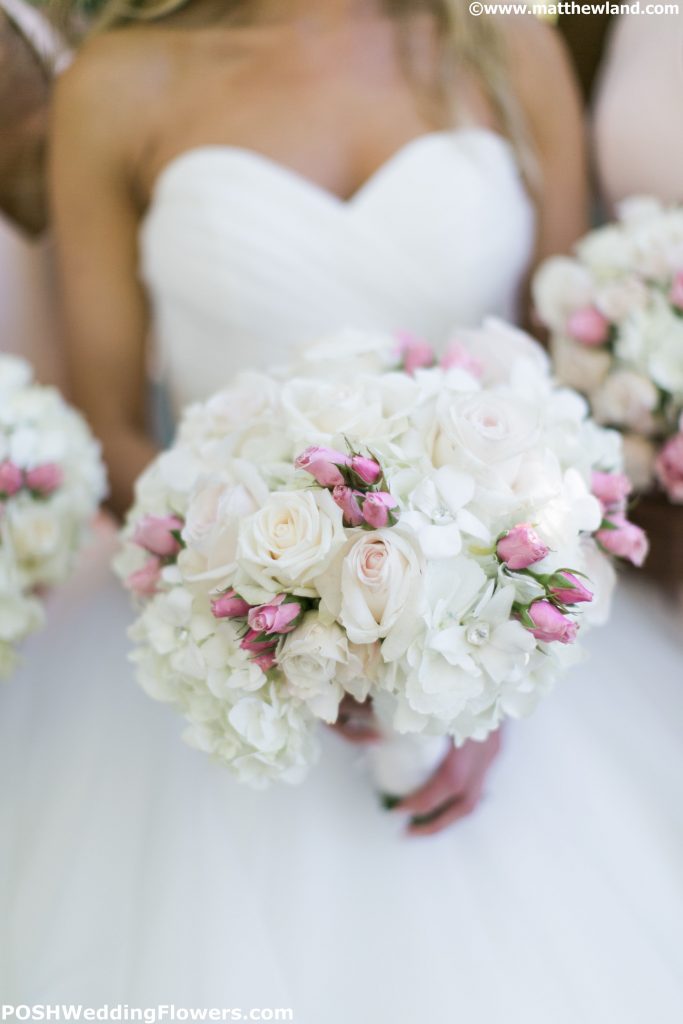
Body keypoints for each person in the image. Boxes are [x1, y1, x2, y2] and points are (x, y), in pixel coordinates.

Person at [2, 1, 682, 1017]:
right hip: (223, 615)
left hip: (506, 619)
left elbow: (555, 395)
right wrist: (285, 614)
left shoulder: (504, 45)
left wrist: (477, 650)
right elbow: (111, 427)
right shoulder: (116, 79)